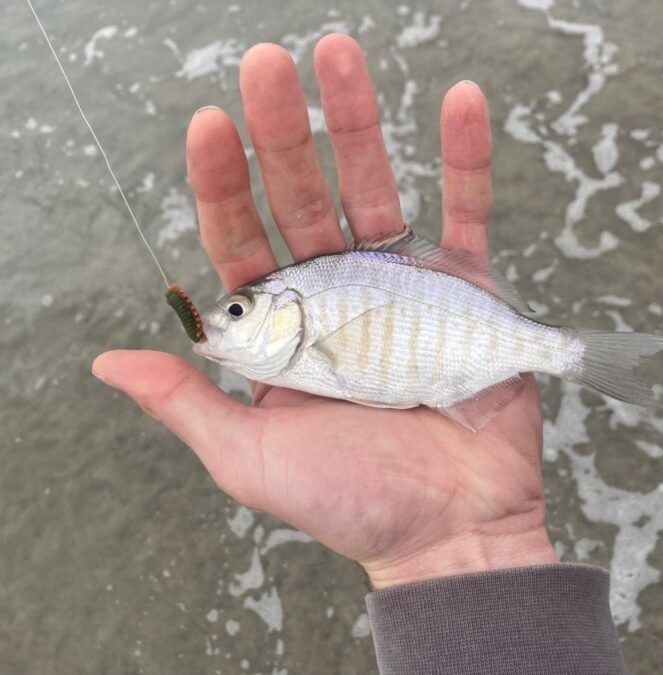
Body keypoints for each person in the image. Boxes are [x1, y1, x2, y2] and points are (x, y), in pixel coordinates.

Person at [92, 34, 625, 674]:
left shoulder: (303, 332)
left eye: (237, 312)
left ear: (287, 314)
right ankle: (570, 351)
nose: (220, 324)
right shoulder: (296, 336)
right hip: (449, 380)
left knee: (555, 347)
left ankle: (570, 351)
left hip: (460, 356)